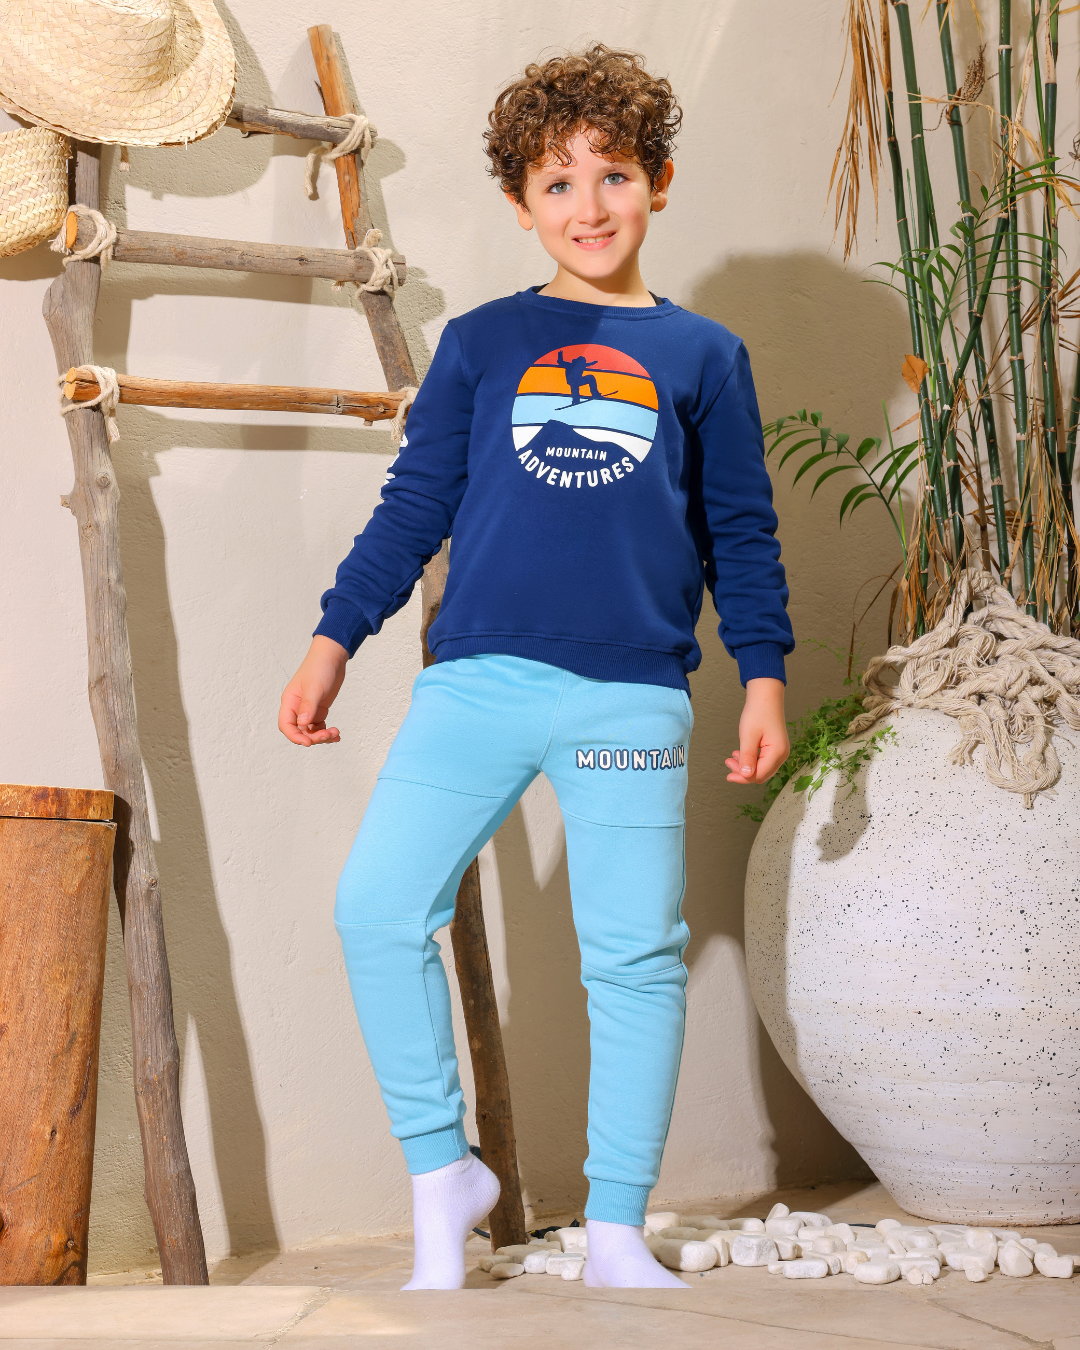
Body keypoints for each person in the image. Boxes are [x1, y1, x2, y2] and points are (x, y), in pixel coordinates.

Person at [278, 43, 793, 1291]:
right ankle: (442, 1174)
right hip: (479, 683)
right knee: (377, 907)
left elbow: (740, 532)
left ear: (658, 182)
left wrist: (765, 677)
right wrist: (334, 638)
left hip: (633, 696)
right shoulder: (483, 342)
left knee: (632, 956)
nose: (589, 205)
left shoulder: (706, 357)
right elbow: (416, 505)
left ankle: (616, 1227)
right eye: (557, 183)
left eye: (614, 175)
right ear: (521, 203)